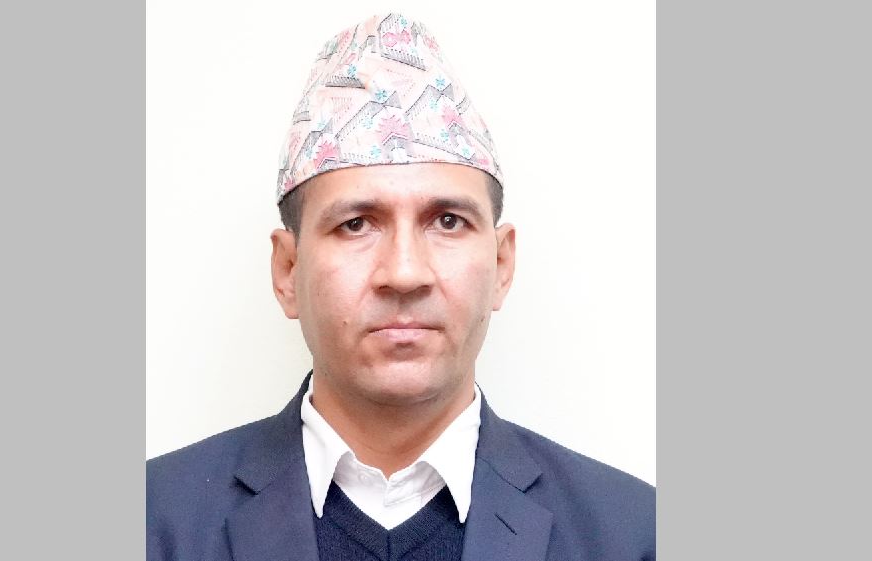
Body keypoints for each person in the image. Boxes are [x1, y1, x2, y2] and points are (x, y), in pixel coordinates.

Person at [147, 12, 655, 561]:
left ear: (501, 263)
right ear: (288, 270)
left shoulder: (634, 536)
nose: (405, 273)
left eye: (447, 222)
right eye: (356, 224)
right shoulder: (150, 523)